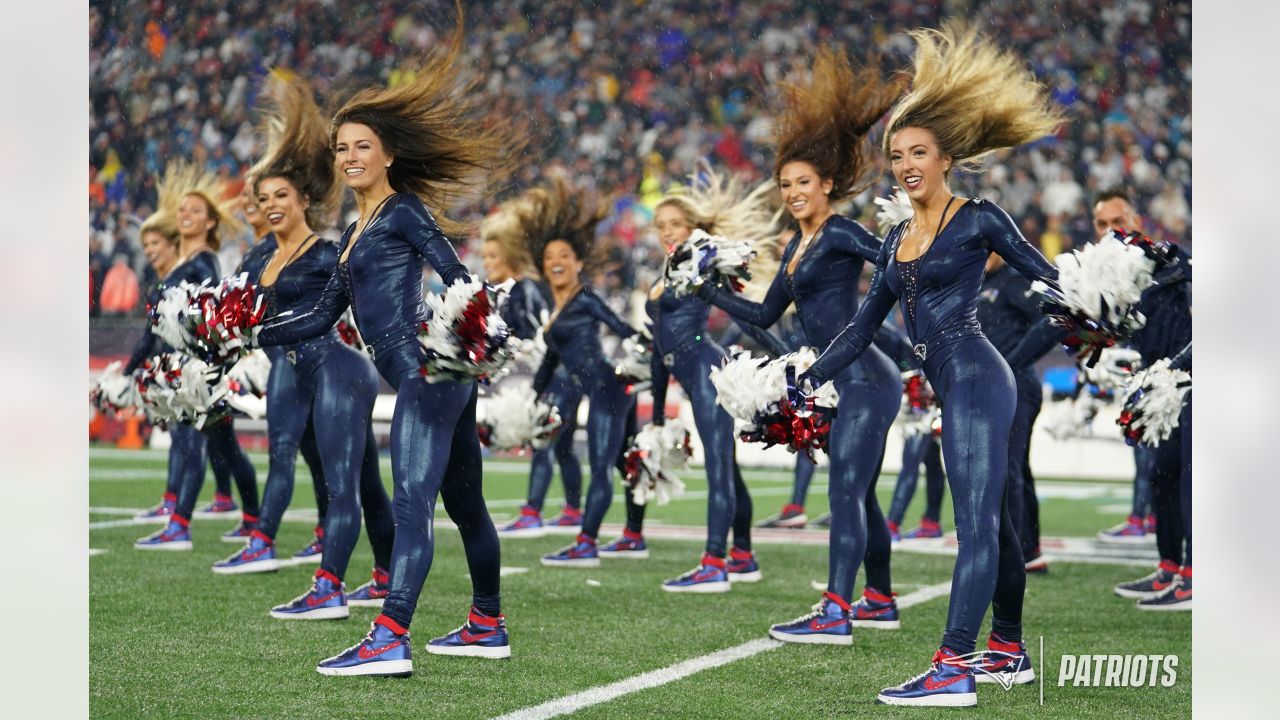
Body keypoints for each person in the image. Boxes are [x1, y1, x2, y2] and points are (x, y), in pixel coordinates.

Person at [798, 24, 1063, 705]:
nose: (907, 163)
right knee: (995, 525)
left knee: (974, 525)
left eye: (919, 152)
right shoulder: (892, 241)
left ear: (947, 158)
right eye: (897, 155)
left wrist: (1092, 308)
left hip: (980, 378)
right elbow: (860, 331)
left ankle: (953, 665)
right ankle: (1007, 648)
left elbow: (1049, 280)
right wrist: (803, 378)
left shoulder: (978, 218)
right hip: (953, 386)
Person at [256, 8, 518, 674]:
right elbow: (320, 314)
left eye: (361, 147)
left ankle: (391, 636)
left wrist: (465, 334)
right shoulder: (351, 234)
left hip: (430, 377)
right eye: (342, 148)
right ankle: (487, 622)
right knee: (464, 504)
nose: (349, 157)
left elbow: (457, 274)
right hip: (433, 382)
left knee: (411, 503)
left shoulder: (402, 210)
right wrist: (253, 324)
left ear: (389, 155)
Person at [699, 46, 906, 641]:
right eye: (786, 184)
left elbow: (893, 262)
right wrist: (710, 290)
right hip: (840, 380)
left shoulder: (840, 229)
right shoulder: (795, 246)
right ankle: (880, 599)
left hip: (866, 375)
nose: (793, 192)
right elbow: (765, 311)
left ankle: (837, 611)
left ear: (828, 185)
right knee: (858, 493)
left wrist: (906, 320)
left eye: (803, 183)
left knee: (845, 489)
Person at [210, 77, 396, 618]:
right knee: (357, 479)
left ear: (305, 201)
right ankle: (382, 575)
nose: (270, 205)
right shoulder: (254, 260)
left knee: (345, 483)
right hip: (290, 372)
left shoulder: (326, 252)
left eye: (280, 197)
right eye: (263, 198)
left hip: (339, 369)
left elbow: (352, 306)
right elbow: (227, 314)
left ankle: (328, 588)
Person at [638, 167, 782, 591]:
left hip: (706, 371)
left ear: (693, 228)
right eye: (660, 225)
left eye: (675, 225)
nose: (667, 232)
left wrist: (785, 353)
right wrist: (661, 413)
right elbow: (658, 349)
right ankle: (743, 555)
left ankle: (714, 562)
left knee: (719, 469)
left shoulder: (700, 266)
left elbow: (745, 315)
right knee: (728, 472)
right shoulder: (668, 269)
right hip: (686, 373)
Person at [503, 177, 640, 568]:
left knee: (603, 466)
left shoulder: (584, 297)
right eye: (548, 257)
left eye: (563, 254)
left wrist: (645, 348)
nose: (555, 261)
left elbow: (620, 326)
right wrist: (528, 405)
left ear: (578, 262)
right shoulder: (556, 313)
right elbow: (547, 366)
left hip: (608, 389)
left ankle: (586, 543)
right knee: (624, 462)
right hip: (604, 390)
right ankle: (633, 533)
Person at [131, 162, 262, 549]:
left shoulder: (204, 261)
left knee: (193, 441)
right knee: (224, 447)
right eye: (182, 210)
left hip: (198, 366)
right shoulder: (183, 263)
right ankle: (252, 519)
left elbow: (204, 314)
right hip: (182, 364)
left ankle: (180, 525)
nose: (185, 214)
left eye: (195, 211)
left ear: (209, 223)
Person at [1095, 189, 1193, 611]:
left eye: (1118, 220)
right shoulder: (1102, 276)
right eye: (1101, 223)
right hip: (1151, 389)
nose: (1110, 230)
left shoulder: (1160, 258)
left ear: (1134, 219)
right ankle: (1170, 567)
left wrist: (1146, 251)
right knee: (1161, 478)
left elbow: (1182, 264)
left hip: (1188, 381)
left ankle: (1194, 576)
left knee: (1190, 480)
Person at [479, 198, 585, 536]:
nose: (487, 262)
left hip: (561, 371)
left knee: (542, 437)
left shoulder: (522, 289)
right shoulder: (519, 289)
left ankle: (532, 512)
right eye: (485, 256)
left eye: (493, 256)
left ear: (509, 255)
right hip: (564, 371)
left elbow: (534, 335)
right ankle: (572, 510)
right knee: (563, 444)